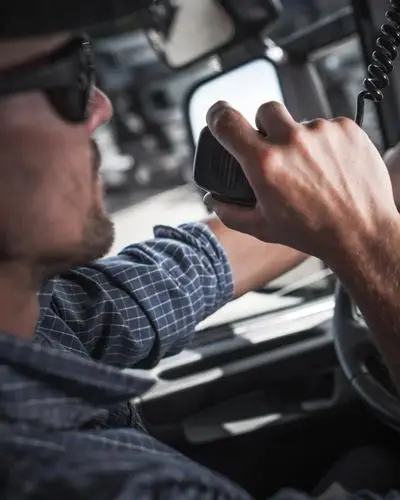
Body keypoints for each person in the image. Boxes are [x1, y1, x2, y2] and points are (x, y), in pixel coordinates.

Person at [0, 3, 400, 500]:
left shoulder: (37, 322)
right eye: (72, 76)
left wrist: (358, 203)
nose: (102, 108)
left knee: (370, 464)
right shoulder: (98, 485)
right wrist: (371, 242)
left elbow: (158, 286)